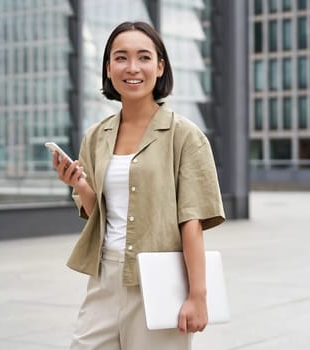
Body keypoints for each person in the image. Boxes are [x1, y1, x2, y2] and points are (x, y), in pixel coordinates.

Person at [51, 21, 225, 350]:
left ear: (160, 67)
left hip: (159, 282)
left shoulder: (185, 136)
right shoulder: (96, 135)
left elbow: (192, 221)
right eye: (121, 58)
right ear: (108, 67)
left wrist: (198, 296)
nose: (132, 68)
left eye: (143, 57)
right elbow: (98, 215)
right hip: (104, 277)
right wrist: (80, 186)